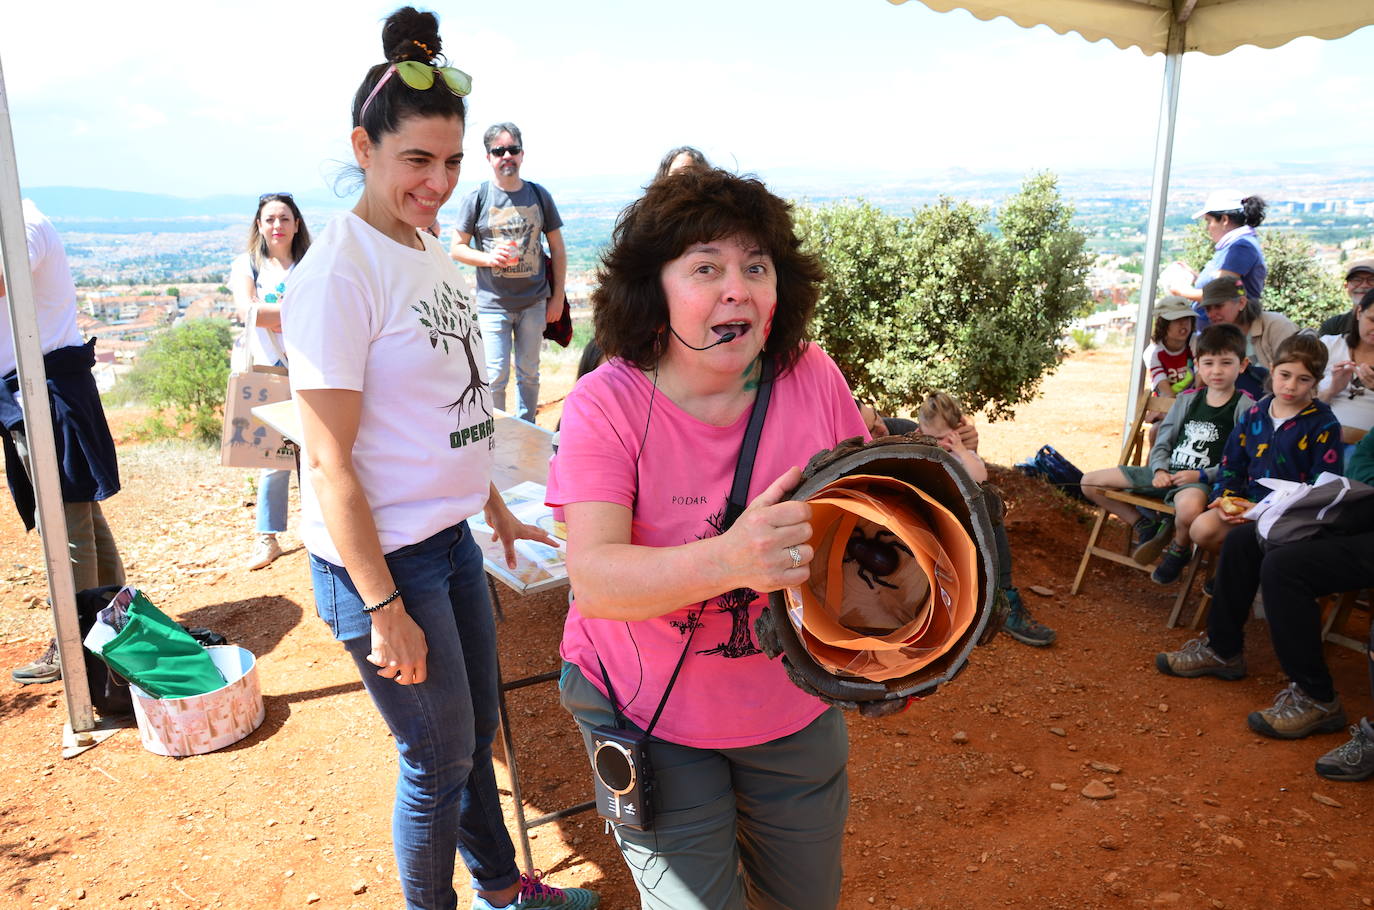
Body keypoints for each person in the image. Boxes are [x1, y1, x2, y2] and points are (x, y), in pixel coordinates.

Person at [280, 9, 596, 910]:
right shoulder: (339, 271)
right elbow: (329, 463)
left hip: (451, 537)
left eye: (451, 162)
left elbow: (449, 404)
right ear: (363, 148)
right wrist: (381, 605)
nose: (438, 181)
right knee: (437, 762)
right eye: (417, 159)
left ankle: (502, 889)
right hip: (380, 564)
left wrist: (488, 502)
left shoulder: (424, 247)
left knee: (475, 731)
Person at [550, 167, 869, 910]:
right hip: (647, 707)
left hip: (789, 701)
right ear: (653, 290)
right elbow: (594, 579)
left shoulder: (811, 375)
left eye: (755, 266)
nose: (738, 288)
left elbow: (859, 520)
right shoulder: (608, 402)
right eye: (705, 268)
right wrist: (732, 557)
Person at [1154, 427, 1374, 767]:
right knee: (1246, 538)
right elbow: (1359, 467)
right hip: (1357, 514)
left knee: (1285, 567)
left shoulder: (1321, 421)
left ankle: (1316, 697)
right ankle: (1222, 650)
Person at [3, 200, 125, 685]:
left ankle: (77, 643)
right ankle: (112, 628)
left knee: (66, 524)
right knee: (83, 518)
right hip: (37, 389)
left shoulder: (20, 221)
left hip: (41, 391)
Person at [1081, 324, 1253, 583]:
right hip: (1163, 474)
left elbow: (1242, 461)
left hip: (1198, 482)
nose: (1216, 370)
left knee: (1188, 510)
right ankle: (1144, 524)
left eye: (1226, 363)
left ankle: (1179, 548)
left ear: (1242, 365)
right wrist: (1159, 468)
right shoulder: (1187, 400)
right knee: (1089, 482)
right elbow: (1163, 440)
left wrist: (1201, 475)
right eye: (1208, 363)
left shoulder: (1245, 407)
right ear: (1197, 364)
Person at [916, 392, 1055, 646]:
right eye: (933, 438)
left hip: (963, 517)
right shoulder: (919, 447)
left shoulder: (958, 453)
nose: (940, 444)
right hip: (932, 518)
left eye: (945, 437)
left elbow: (980, 477)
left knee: (990, 514)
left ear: (957, 431)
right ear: (919, 430)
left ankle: (1001, 601)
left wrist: (961, 450)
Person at [451, 122, 565, 423]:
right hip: (494, 305)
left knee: (529, 374)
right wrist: (489, 258)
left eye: (512, 149)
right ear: (488, 157)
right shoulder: (477, 198)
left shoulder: (539, 195)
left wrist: (557, 298)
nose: (506, 156)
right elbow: (457, 248)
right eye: (499, 150)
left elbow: (558, 248)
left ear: (522, 154)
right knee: (494, 375)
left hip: (534, 302)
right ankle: (498, 434)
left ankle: (527, 429)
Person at [1188, 333, 1343, 555]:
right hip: (1246, 501)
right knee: (1202, 530)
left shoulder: (1324, 425)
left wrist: (1265, 509)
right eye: (1285, 375)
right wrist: (1225, 498)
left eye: (1303, 379)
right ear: (1272, 369)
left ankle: (1250, 576)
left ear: (1316, 381)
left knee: (1267, 544)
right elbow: (1232, 463)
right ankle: (1237, 569)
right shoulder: (1254, 414)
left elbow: (1323, 486)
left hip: (1291, 515)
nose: (1290, 386)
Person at [229, 192, 311, 570]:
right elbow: (247, 312)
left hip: (311, 367)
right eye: (269, 219)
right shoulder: (247, 264)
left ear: (296, 224)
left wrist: (272, 312)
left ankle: (320, 528)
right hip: (270, 369)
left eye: (284, 218)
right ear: (259, 226)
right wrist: (292, 312)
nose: (277, 226)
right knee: (274, 459)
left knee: (317, 454)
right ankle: (267, 536)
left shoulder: (311, 263)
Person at [1168, 191, 1268, 329]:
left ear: (1224, 220)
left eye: (1209, 221)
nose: (1207, 228)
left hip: (1225, 334)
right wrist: (1196, 277)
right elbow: (1226, 283)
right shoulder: (1232, 246)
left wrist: (1180, 291)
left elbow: (1222, 293)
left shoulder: (1240, 247)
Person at [1196, 275, 1294, 386]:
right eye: (1208, 308)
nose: (1211, 314)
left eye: (1218, 306)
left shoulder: (1277, 326)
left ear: (1241, 303)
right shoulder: (1214, 336)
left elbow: (1294, 373)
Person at [1317, 287, 1374, 439]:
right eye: (1372, 320)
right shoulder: (1328, 345)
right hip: (1317, 438)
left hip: (1365, 448)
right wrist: (1331, 391)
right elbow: (1293, 397)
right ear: (1359, 312)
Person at [1144, 296, 1196, 399]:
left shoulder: (1195, 342)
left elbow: (1201, 379)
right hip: (1167, 405)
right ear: (1162, 324)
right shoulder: (1153, 353)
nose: (1183, 324)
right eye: (1176, 319)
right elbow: (1166, 392)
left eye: (1187, 318)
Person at [1317, 259, 1374, 338]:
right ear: (1346, 286)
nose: (1364, 285)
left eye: (1371, 280)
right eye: (1356, 280)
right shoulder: (1333, 327)